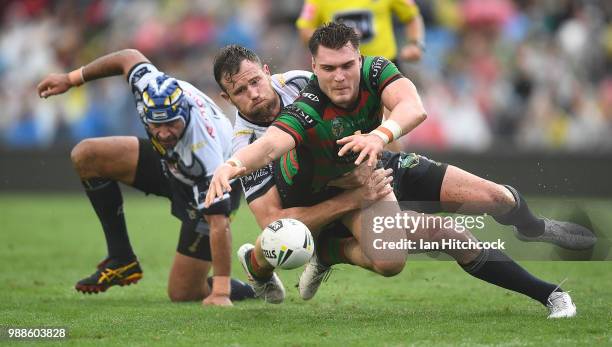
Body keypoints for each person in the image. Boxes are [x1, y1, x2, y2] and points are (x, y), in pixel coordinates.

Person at [208, 24, 588, 318]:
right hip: (334, 194)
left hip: (376, 160)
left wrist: (380, 136)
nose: (255, 93)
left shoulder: (336, 76)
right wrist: (232, 166)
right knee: (423, 244)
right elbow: (272, 167)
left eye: (256, 81)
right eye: (241, 91)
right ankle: (551, 293)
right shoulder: (298, 109)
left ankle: (534, 227)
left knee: (496, 197)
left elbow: (412, 106)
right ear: (315, 68)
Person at [36, 49, 254, 306]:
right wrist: (72, 78)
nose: (163, 133)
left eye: (171, 123)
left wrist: (220, 292)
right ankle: (121, 258)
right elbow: (127, 57)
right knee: (86, 155)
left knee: (183, 293)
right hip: (172, 163)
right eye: (155, 125)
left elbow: (219, 223)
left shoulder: (204, 148)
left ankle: (255, 287)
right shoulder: (149, 84)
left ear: (184, 111)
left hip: (210, 180)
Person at [296, 0, 426, 64]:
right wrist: (336, 37)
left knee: (398, 113)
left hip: (385, 66)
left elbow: (412, 16)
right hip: (340, 72)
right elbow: (304, 31)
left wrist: (416, 44)